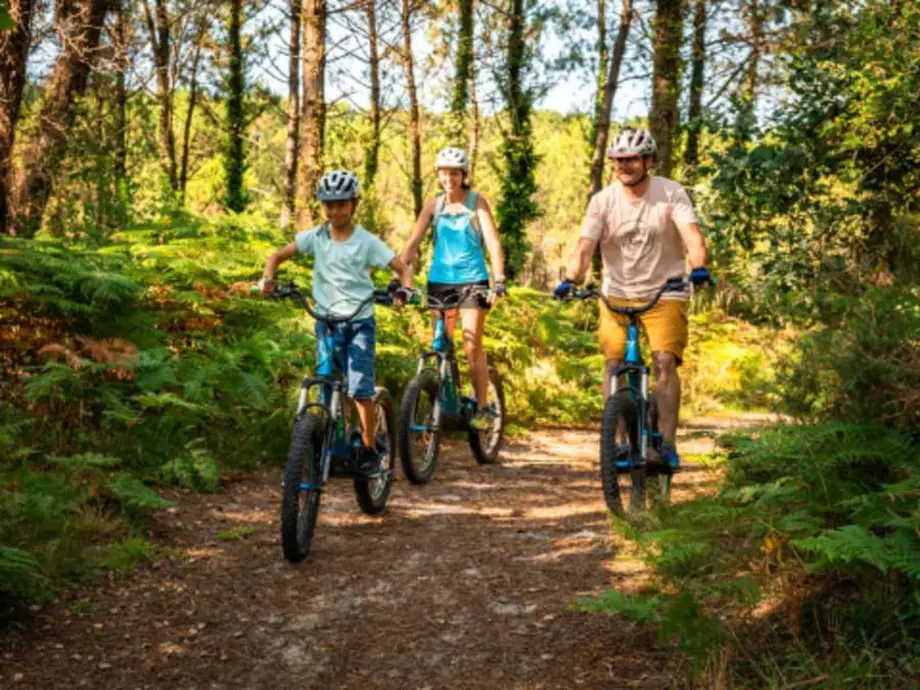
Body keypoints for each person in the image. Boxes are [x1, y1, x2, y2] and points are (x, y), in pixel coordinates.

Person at [554, 127, 712, 468]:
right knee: (613, 366)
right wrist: (570, 278)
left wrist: (698, 267)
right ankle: (620, 441)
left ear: (649, 161)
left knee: (664, 362)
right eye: (618, 160)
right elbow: (585, 247)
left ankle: (667, 444)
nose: (624, 166)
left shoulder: (670, 192)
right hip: (617, 294)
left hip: (665, 292)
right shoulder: (602, 201)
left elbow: (693, 238)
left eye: (631, 159)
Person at [259, 169, 413, 476]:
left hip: (359, 324)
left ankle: (368, 449)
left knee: (359, 390)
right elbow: (276, 256)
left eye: (341, 204)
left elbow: (402, 269)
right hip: (326, 321)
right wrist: (268, 278)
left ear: (355, 203)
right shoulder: (316, 237)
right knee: (326, 380)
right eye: (328, 205)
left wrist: (405, 289)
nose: (334, 211)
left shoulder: (366, 242)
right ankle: (329, 442)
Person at [398, 147, 506, 430]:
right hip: (440, 281)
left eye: (454, 173)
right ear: (439, 175)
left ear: (463, 174)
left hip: (473, 281)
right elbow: (412, 244)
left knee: (472, 345)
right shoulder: (433, 206)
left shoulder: (476, 203)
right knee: (439, 343)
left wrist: (499, 279)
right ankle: (444, 402)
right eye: (444, 173)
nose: (449, 179)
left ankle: (482, 407)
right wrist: (399, 275)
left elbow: (493, 243)